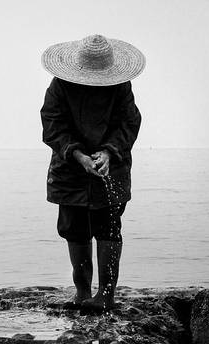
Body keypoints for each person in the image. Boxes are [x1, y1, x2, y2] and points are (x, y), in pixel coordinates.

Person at [40, 34, 145, 312]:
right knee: (74, 228)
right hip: (69, 169)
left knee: (108, 227)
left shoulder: (121, 87)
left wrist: (109, 152)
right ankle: (82, 291)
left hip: (112, 166)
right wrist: (78, 155)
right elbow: (52, 125)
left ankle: (106, 296)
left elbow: (130, 122)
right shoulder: (59, 86)